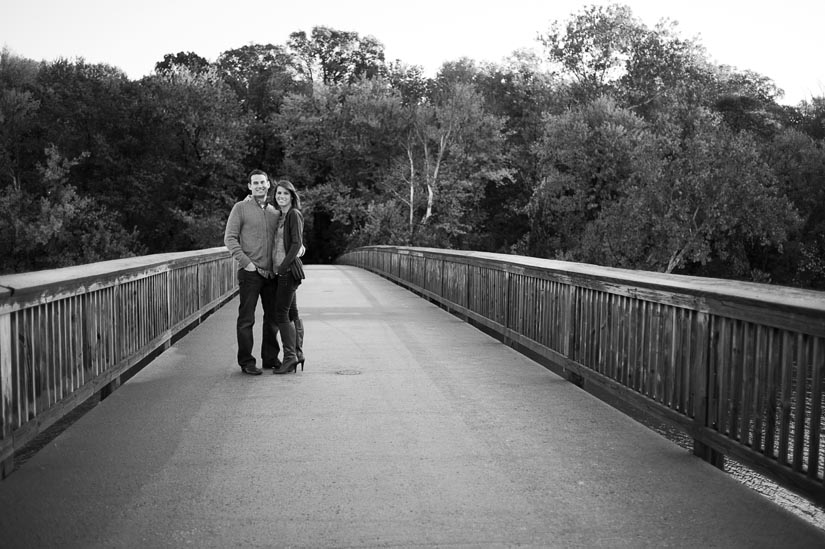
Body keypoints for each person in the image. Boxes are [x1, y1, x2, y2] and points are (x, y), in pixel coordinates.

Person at [224, 169, 280, 375]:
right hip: (250, 273)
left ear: (268, 185)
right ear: (249, 186)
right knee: (247, 319)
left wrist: (300, 248)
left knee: (272, 318)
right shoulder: (240, 208)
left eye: (262, 182)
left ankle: (271, 358)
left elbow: (284, 239)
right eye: (254, 183)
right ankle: (246, 361)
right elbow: (230, 238)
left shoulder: (275, 212)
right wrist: (246, 262)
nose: (259, 186)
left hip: (271, 274)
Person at [271, 179, 306, 374]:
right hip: (284, 270)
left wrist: (282, 268)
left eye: (285, 193)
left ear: (292, 196)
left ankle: (290, 357)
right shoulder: (281, 216)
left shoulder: (293, 214)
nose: (281, 197)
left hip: (288, 272)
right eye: (278, 194)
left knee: (281, 314)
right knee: (292, 314)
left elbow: (295, 244)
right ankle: (298, 353)